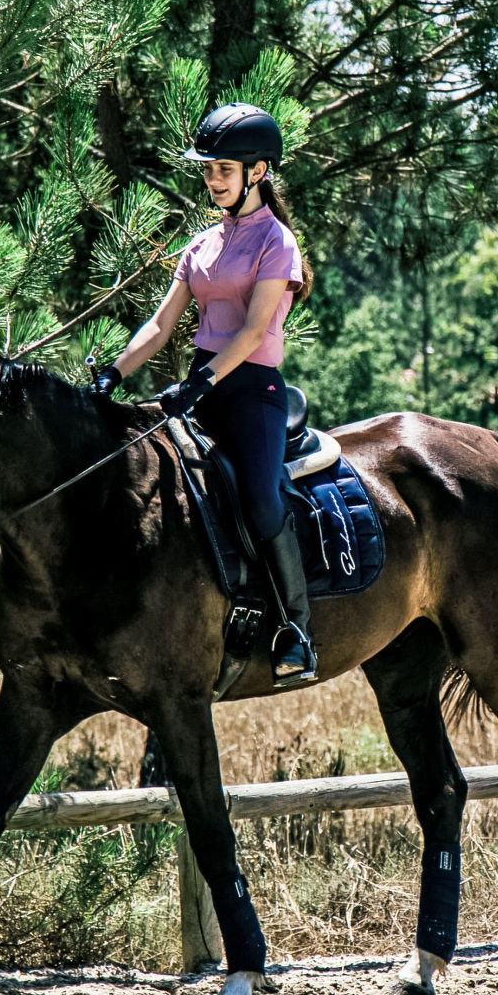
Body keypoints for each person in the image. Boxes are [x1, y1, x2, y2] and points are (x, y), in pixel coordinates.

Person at [93, 103, 318, 682]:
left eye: (224, 169)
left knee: (262, 500)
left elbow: (253, 332)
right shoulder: (201, 244)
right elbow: (160, 325)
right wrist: (113, 373)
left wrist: (200, 381)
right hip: (201, 386)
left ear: (258, 171)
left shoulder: (278, 243)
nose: (213, 179)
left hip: (252, 391)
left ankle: (296, 628)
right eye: (208, 169)